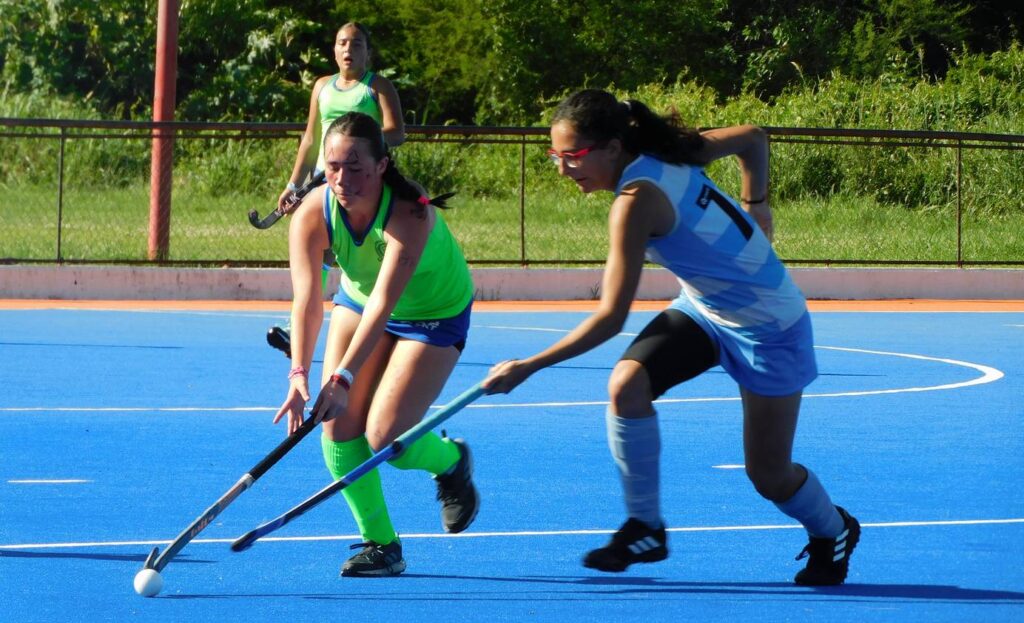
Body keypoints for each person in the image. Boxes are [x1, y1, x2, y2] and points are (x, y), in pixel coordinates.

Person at [483, 89, 859, 586]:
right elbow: (753, 139)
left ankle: (834, 529)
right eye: (555, 155)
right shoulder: (671, 151)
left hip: (769, 327)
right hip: (705, 309)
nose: (562, 169)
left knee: (769, 475)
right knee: (627, 386)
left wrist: (528, 366)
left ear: (613, 148)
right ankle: (645, 527)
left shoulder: (635, 201)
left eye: (573, 156)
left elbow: (610, 317)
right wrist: (758, 206)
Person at [277, 111, 477, 577]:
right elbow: (306, 301)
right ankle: (382, 544)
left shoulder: (410, 213)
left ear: (382, 166)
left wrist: (342, 377)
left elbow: (386, 303)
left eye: (355, 168)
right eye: (332, 167)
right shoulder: (312, 213)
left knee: (385, 436)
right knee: (337, 426)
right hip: (360, 299)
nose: (342, 180)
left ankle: (451, 461)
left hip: (432, 312)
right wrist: (299, 373)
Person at [268, 21, 405, 358]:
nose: (348, 49)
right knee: (317, 251)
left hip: (365, 187)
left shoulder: (377, 87)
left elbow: (397, 132)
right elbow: (310, 139)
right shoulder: (322, 87)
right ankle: (297, 328)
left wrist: (358, 145)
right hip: (324, 186)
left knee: (362, 254)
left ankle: (389, 321)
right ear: (334, 49)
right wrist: (293, 184)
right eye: (342, 42)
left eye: (356, 44)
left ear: (367, 52)